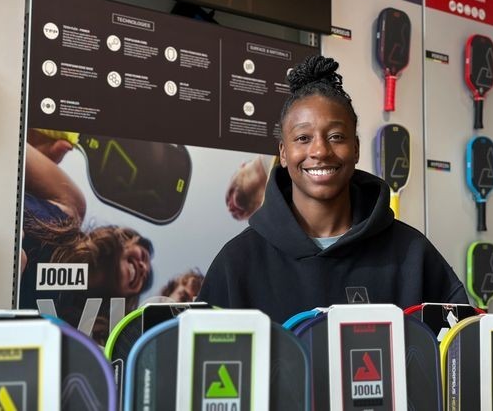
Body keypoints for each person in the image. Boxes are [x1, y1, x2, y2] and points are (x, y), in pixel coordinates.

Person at [198, 56, 466, 322]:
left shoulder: (413, 255)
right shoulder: (236, 263)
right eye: (303, 138)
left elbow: (458, 351)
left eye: (336, 137)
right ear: (283, 152)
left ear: (357, 148)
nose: (320, 151)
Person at [20, 132, 155, 343]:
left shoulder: (73, 333)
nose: (143, 268)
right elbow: (7, 145)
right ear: (127, 239)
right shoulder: (70, 205)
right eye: (143, 256)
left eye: (145, 279)